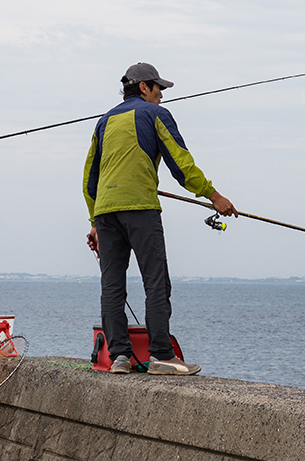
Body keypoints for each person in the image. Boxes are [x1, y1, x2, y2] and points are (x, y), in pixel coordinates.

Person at [83, 62, 236, 375]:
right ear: (144, 87)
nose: (162, 95)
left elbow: (90, 179)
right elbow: (181, 166)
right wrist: (214, 196)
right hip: (139, 208)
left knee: (112, 286)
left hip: (105, 212)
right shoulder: (155, 115)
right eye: (159, 88)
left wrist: (94, 223)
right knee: (155, 282)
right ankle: (162, 356)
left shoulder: (103, 122)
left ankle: (119, 358)